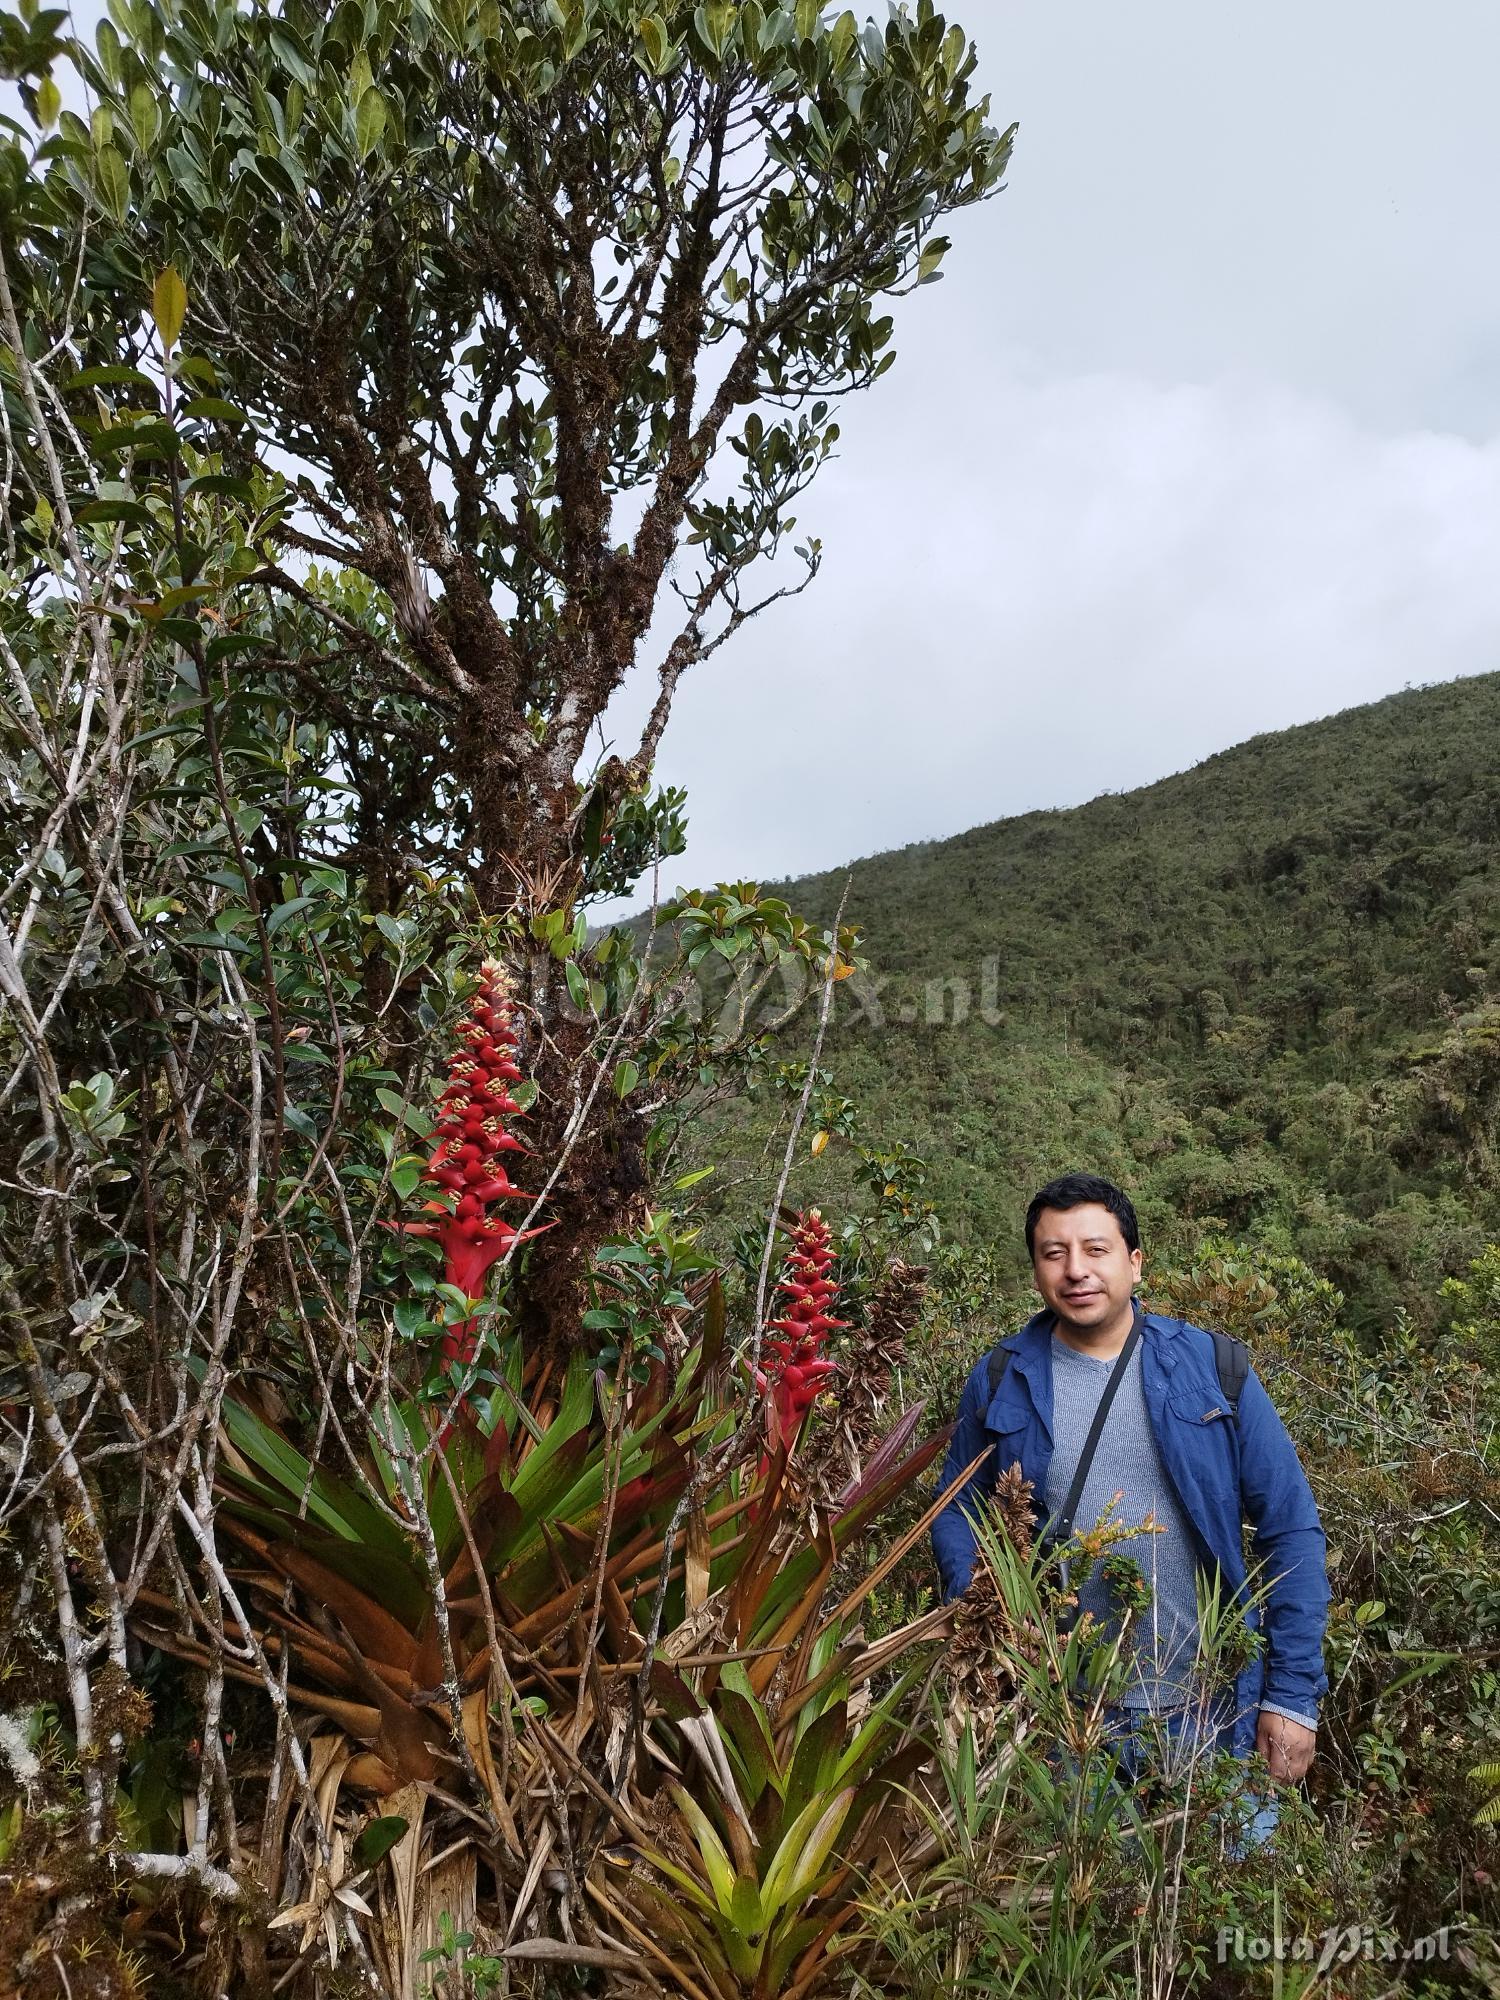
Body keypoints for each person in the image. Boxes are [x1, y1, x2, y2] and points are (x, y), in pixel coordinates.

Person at [931, 1172, 1329, 1844]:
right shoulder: (1002, 1376)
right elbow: (955, 1511)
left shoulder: (1214, 1368)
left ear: (1135, 1262)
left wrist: (1291, 1697)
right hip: (1065, 1715)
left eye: (1096, 1249)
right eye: (1053, 1254)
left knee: (1222, 1903)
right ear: (1035, 1270)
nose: (1076, 1271)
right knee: (1087, 1905)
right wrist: (987, 1619)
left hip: (1215, 1704)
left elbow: (1291, 1530)